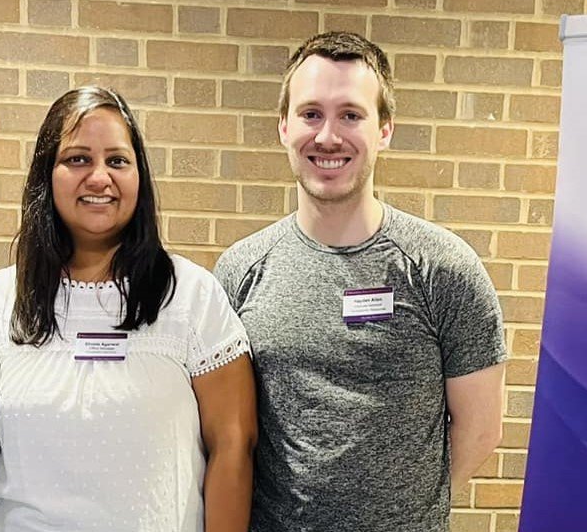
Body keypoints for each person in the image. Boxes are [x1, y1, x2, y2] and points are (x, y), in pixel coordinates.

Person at [212, 32, 509, 532]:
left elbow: (482, 429)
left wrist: (404, 512)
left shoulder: (443, 269)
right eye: (311, 114)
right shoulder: (240, 270)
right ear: (283, 126)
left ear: (385, 129)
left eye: (351, 115)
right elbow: (227, 433)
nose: (328, 137)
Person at [0, 86, 258, 532]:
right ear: (46, 175)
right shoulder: (3, 299)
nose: (98, 177)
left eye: (117, 161)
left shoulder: (190, 295)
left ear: (139, 177)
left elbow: (234, 443)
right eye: (77, 159)